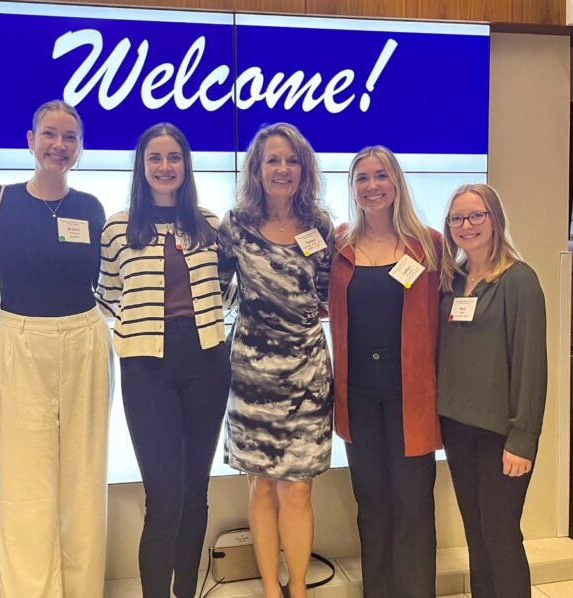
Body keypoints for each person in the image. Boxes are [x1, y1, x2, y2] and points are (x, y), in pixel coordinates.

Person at [0, 100, 113, 598]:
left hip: (85, 338)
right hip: (19, 339)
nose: (59, 145)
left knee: (83, 477)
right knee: (24, 482)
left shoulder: (91, 208)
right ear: (30, 140)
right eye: (50, 134)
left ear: (79, 147)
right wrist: (6, 333)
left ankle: (82, 589)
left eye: (70, 137)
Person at [96, 123, 230, 598]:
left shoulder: (211, 225)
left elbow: (227, 290)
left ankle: (187, 592)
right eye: (155, 158)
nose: (165, 167)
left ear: (186, 165)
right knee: (164, 496)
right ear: (142, 166)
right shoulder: (118, 226)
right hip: (146, 366)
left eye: (174, 157)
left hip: (207, 362)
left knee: (197, 490)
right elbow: (110, 295)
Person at [218, 122, 334, 598]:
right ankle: (270, 587)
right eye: (273, 160)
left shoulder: (320, 226)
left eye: (291, 160)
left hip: (307, 373)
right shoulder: (236, 225)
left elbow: (326, 293)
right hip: (251, 375)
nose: (282, 169)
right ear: (257, 169)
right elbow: (220, 292)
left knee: (299, 488)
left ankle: (299, 588)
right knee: (262, 486)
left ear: (303, 168)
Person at [328, 146, 440, 598]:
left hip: (410, 395)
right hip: (357, 396)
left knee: (413, 505)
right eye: (362, 178)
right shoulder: (338, 247)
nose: (372, 186)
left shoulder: (429, 244)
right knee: (371, 505)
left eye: (381, 176)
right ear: (352, 188)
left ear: (396, 184)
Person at [438, 183, 546, 598]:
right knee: (476, 534)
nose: (466, 225)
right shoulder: (453, 280)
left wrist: (523, 438)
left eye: (476, 215)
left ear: (495, 219)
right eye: (457, 218)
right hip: (458, 427)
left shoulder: (519, 280)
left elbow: (531, 365)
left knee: (500, 535)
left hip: (503, 434)